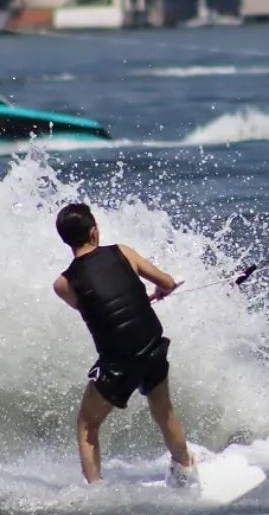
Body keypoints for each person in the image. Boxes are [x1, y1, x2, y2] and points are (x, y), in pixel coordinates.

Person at [51, 203, 198, 486]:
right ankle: (184, 467)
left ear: (65, 240)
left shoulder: (62, 284)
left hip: (118, 360)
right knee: (163, 410)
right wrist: (158, 291)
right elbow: (168, 282)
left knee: (87, 424)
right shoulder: (122, 252)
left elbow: (94, 308)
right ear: (94, 232)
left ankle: (95, 492)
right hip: (152, 344)